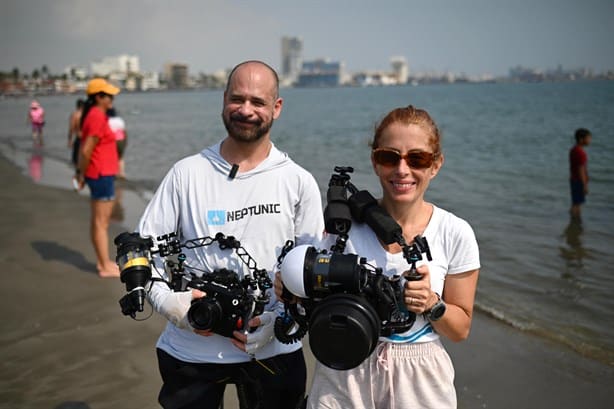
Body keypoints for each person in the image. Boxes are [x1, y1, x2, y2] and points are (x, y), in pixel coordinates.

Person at [136, 60, 324, 409]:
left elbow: (313, 275)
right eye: (237, 99)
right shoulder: (186, 174)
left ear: (276, 107)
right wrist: (168, 304)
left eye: (258, 102)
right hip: (191, 351)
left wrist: (282, 319)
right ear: (224, 100)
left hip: (274, 349)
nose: (246, 110)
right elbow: (140, 255)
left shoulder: (298, 182)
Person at [289, 105, 481, 409]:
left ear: (436, 164)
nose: (402, 170)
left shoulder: (455, 232)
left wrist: (431, 303)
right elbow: (304, 292)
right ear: (375, 162)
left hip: (418, 377)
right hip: (343, 365)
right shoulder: (339, 227)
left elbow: (460, 329)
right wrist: (290, 286)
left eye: (417, 159)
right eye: (389, 157)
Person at [76, 78, 121, 278]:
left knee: (99, 222)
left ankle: (104, 262)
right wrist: (80, 173)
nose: (111, 98)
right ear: (98, 97)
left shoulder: (95, 115)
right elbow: (86, 150)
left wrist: (81, 173)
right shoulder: (96, 116)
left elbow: (84, 148)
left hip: (101, 173)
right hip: (101, 174)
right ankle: (104, 265)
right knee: (101, 223)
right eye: (108, 95)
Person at [569, 128, 591, 219]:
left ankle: (574, 221)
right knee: (577, 204)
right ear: (581, 139)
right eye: (588, 138)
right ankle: (575, 222)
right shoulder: (581, 153)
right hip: (578, 180)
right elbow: (581, 169)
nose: (590, 140)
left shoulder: (573, 150)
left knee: (575, 202)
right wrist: (584, 184)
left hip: (573, 179)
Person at [107, 107, 128, 179]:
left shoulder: (108, 120)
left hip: (112, 140)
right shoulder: (120, 120)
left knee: (113, 157)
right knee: (121, 157)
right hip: (121, 139)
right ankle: (122, 173)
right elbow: (124, 132)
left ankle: (114, 173)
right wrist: (125, 141)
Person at [68, 98, 85, 171]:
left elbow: (71, 128)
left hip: (79, 139)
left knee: (76, 161)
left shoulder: (75, 115)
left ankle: (79, 177)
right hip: (88, 139)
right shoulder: (88, 114)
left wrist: (70, 140)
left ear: (77, 106)